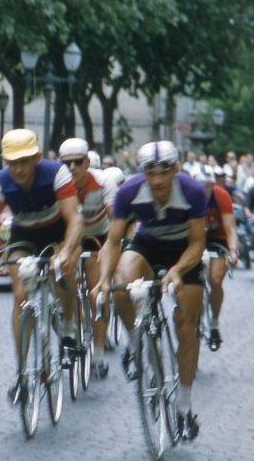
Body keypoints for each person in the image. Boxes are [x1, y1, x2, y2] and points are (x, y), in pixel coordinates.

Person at [96, 141, 205, 441]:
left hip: (184, 251)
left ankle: (183, 406)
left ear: (176, 170)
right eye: (150, 173)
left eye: (164, 172)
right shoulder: (130, 192)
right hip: (148, 245)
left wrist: (177, 271)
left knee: (185, 324)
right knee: (121, 288)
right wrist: (105, 276)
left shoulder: (193, 191)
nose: (157, 180)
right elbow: (113, 241)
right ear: (142, 172)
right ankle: (136, 343)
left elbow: (198, 243)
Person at [0, 129, 82, 403]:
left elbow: (74, 220)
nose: (18, 169)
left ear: (37, 157)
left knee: (65, 271)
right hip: (23, 236)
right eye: (12, 163)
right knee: (20, 294)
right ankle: (23, 372)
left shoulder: (56, 173)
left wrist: (65, 253)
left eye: (24, 162)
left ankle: (69, 330)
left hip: (58, 233)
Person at [58, 138, 116, 375]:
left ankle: (99, 354)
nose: (72, 168)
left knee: (97, 294)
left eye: (78, 162)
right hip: (72, 238)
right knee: (65, 279)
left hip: (99, 237)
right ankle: (68, 324)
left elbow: (116, 223)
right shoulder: (59, 185)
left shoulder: (104, 182)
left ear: (88, 163)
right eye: (67, 163)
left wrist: (110, 248)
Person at [197, 165, 239, 349]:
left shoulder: (221, 196)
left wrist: (233, 250)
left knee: (215, 280)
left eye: (208, 186)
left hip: (217, 240)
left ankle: (214, 322)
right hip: (195, 239)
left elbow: (230, 228)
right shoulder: (187, 196)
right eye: (201, 186)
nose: (204, 190)